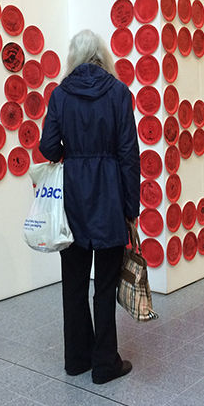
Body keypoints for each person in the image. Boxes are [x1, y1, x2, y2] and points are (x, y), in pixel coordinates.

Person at [39, 29, 140, 385]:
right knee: (106, 284)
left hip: (73, 199)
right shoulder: (118, 93)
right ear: (102, 56)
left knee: (74, 281)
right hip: (110, 197)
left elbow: (48, 148)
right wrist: (132, 208)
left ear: (74, 57)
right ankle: (105, 363)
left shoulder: (60, 94)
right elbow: (129, 155)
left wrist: (75, 151)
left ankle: (76, 358)